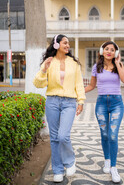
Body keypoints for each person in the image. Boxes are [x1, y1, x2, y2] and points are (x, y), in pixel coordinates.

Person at [33, 34, 85, 183]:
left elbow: (79, 83)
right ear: (56, 44)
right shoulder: (49, 62)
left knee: (63, 135)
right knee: (54, 138)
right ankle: (57, 169)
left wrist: (80, 101)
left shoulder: (73, 63)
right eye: (65, 43)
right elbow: (38, 83)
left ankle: (69, 161)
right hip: (52, 102)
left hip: (69, 102)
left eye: (68, 43)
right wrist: (44, 70)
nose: (68, 45)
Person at [85, 41, 124, 183]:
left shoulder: (118, 66)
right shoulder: (96, 67)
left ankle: (114, 168)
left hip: (117, 103)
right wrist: (78, 91)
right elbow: (92, 85)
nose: (109, 51)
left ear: (115, 53)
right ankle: (107, 160)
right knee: (104, 134)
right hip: (101, 103)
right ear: (101, 51)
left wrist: (118, 63)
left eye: (112, 49)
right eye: (106, 49)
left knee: (113, 135)